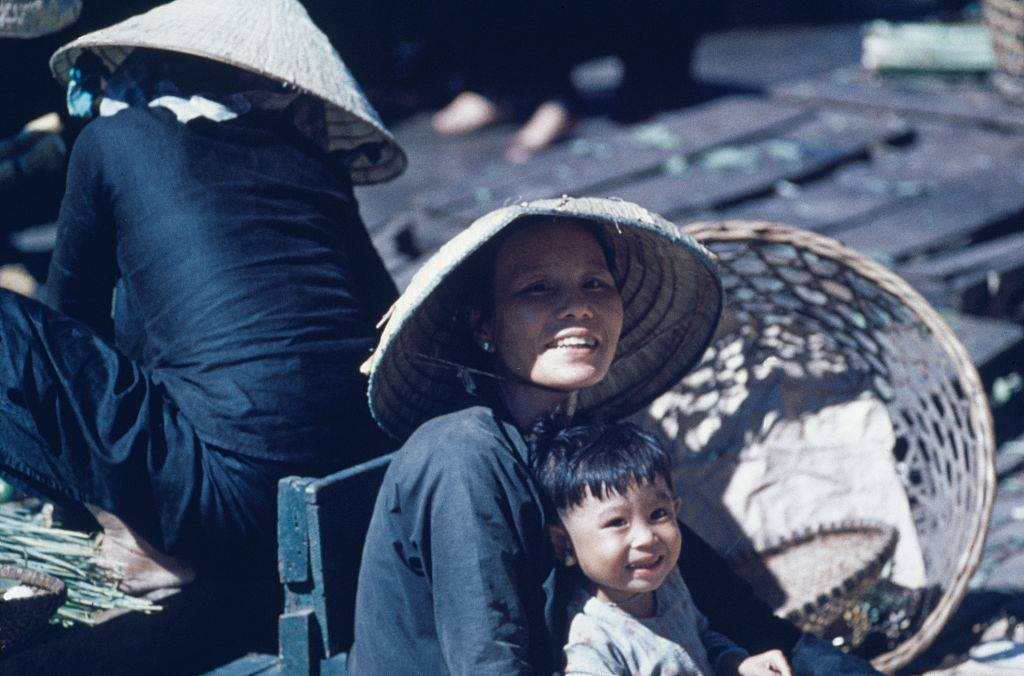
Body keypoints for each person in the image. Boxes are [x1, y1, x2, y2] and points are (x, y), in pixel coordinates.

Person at [0, 0, 405, 597]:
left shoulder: (114, 139)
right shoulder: (312, 158)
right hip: (360, 473)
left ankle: (132, 535)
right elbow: (385, 317)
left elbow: (67, 321)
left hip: (226, 498)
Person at [349, 196, 807, 674]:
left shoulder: (577, 444)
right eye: (537, 289)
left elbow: (713, 594)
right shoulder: (463, 457)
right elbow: (491, 662)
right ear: (482, 322)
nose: (579, 308)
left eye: (595, 284)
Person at [533, 421, 792, 676]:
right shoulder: (592, 645)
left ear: (675, 511)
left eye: (658, 514)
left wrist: (736, 663)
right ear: (564, 542)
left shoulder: (667, 583)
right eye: (617, 522)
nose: (646, 537)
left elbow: (700, 639)